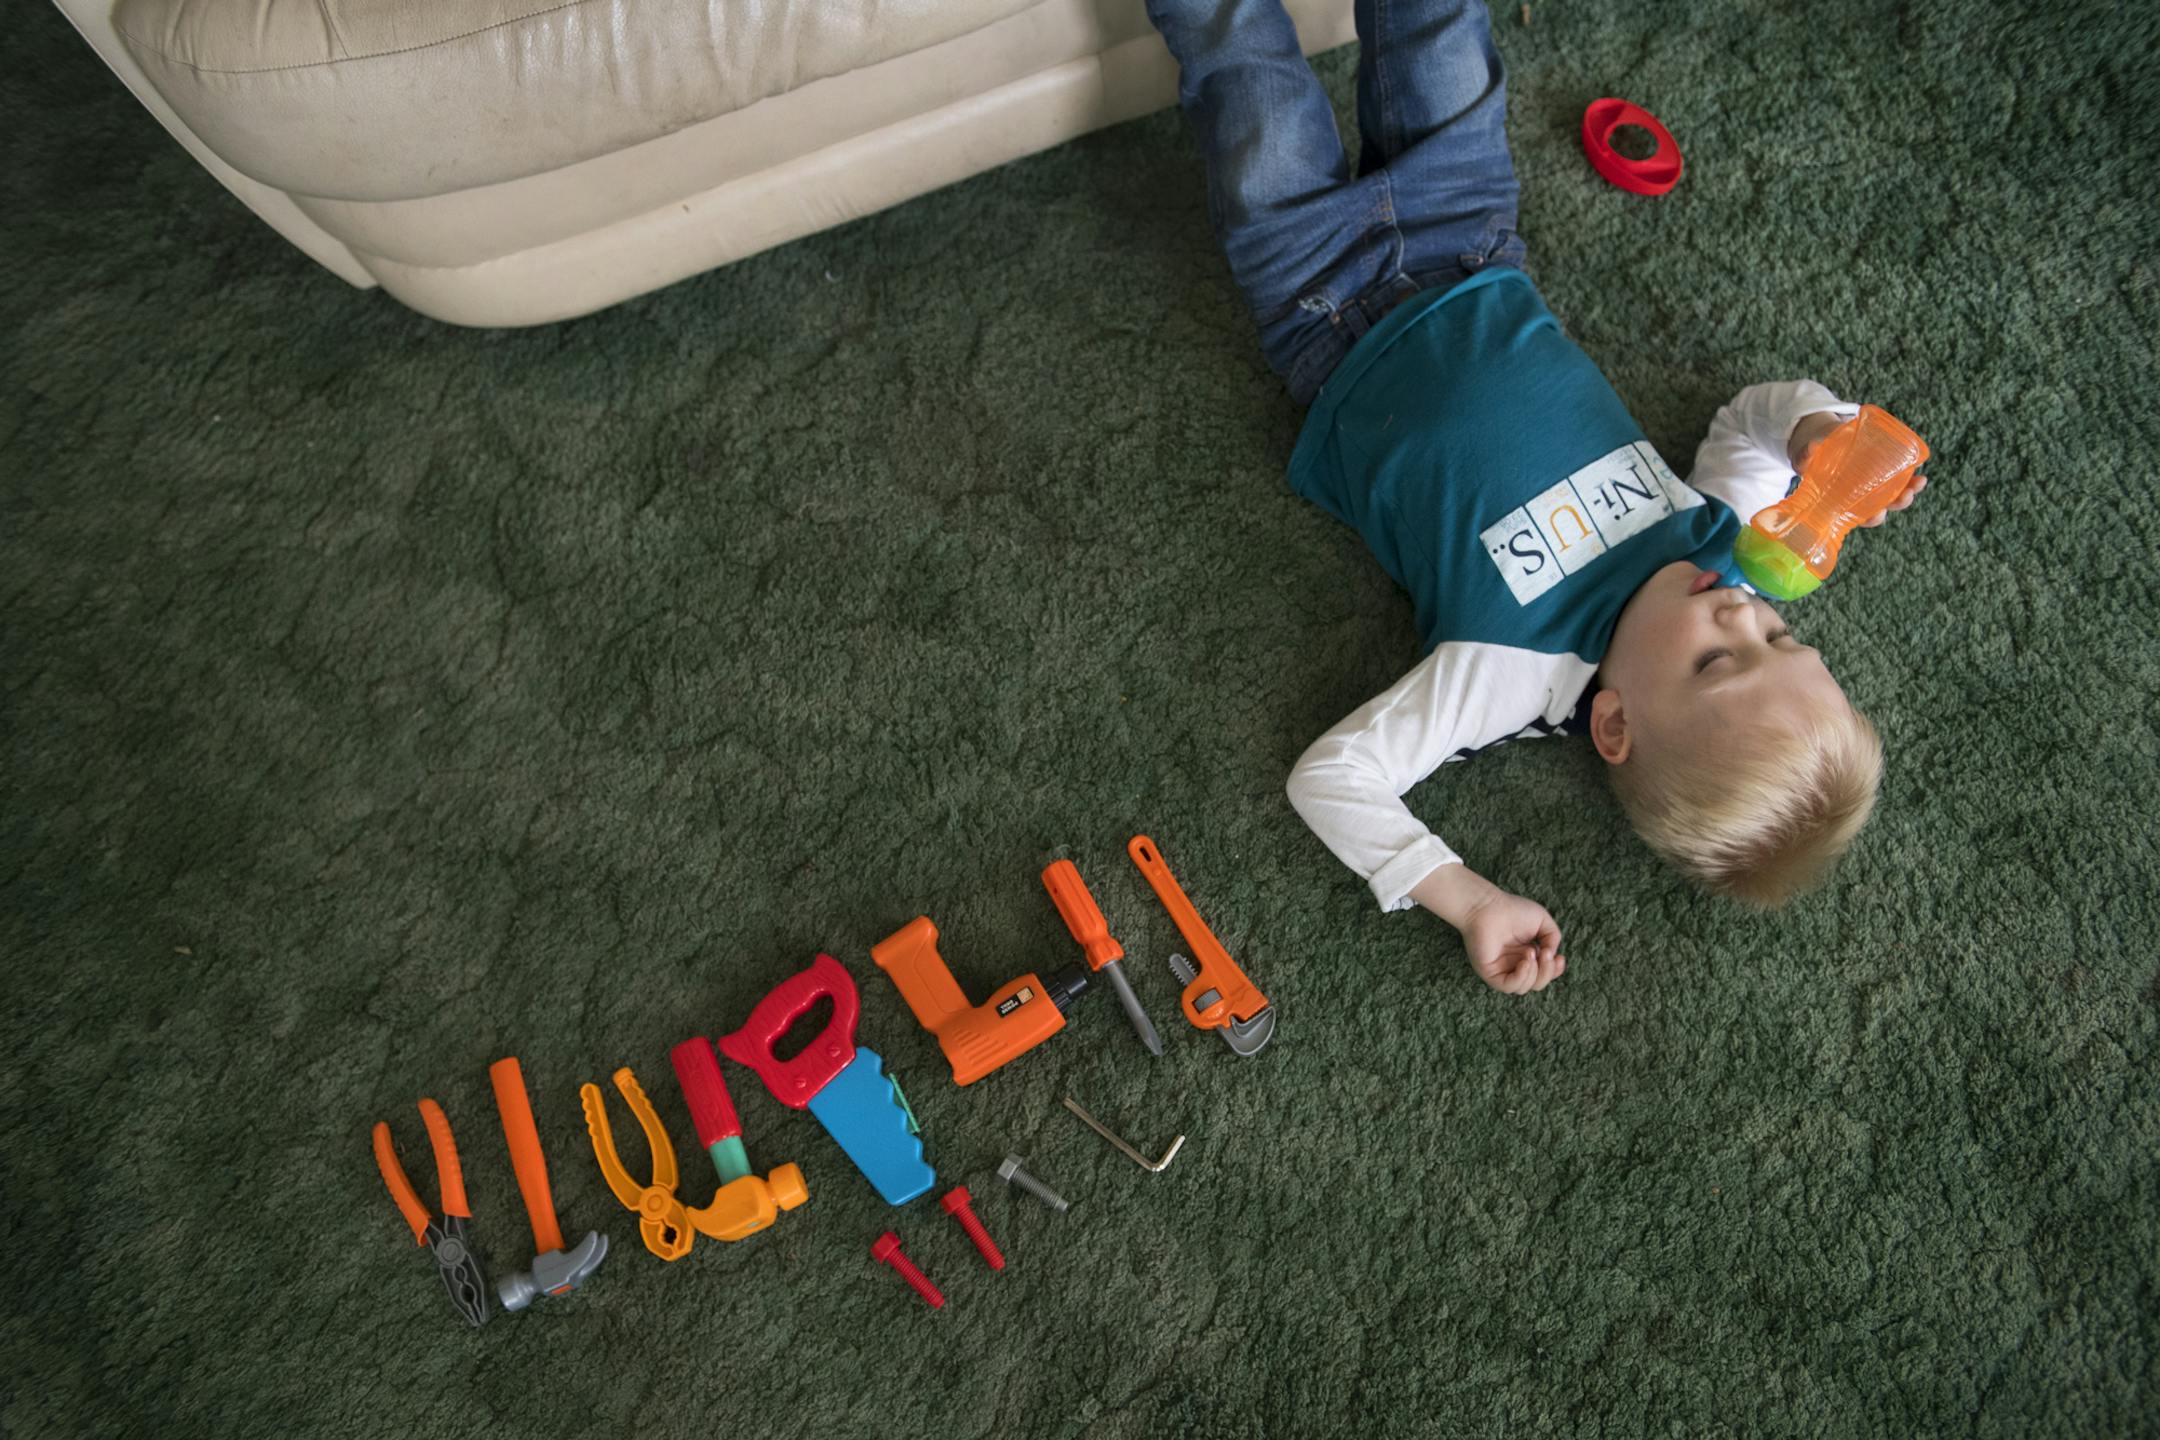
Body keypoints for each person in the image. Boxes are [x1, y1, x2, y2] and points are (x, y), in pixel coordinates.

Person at [1143, 0, 1927, 994]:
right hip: (1468, 233)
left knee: (1246, 77)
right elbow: (1749, 420)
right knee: (1439, 35)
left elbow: (1332, 777)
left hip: (1322, 301)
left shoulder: (1508, 673)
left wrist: (1467, 895)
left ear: (1614, 727)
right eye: (1779, 635)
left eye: (1718, 660)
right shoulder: (1716, 546)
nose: (1739, 610)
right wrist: (1821, 429)